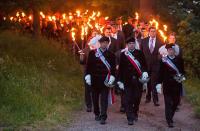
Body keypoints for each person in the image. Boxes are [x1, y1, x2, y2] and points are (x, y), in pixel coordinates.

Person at [85, 36, 116, 125]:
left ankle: (103, 116)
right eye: (103, 42)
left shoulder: (111, 54)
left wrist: (112, 77)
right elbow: (88, 66)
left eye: (106, 43)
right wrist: (88, 76)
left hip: (105, 81)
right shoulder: (92, 53)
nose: (104, 44)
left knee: (104, 100)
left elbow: (113, 68)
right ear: (100, 43)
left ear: (108, 44)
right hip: (94, 80)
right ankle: (97, 113)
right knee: (95, 99)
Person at [117, 37, 148, 125]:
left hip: (138, 80)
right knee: (128, 99)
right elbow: (121, 69)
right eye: (130, 44)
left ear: (135, 44)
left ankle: (135, 112)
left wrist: (145, 72)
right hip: (127, 80)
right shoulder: (124, 54)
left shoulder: (140, 53)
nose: (131, 45)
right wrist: (119, 80)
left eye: (133, 43)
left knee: (137, 98)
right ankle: (129, 117)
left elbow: (144, 65)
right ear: (127, 45)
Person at [158, 44, 185, 128]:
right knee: (168, 103)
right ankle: (169, 120)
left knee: (176, 102)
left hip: (177, 85)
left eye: (172, 50)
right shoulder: (163, 60)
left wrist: (181, 78)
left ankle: (170, 116)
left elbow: (183, 72)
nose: (171, 51)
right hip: (167, 85)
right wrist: (158, 83)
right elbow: (160, 73)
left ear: (174, 51)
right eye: (169, 50)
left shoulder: (179, 60)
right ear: (167, 51)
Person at [141, 27, 163, 106]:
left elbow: (162, 54)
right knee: (148, 82)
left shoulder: (160, 42)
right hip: (146, 65)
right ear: (149, 32)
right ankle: (148, 97)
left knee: (154, 82)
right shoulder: (144, 41)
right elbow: (141, 54)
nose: (153, 33)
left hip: (156, 65)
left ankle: (155, 100)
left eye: (154, 31)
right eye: (151, 31)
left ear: (156, 32)